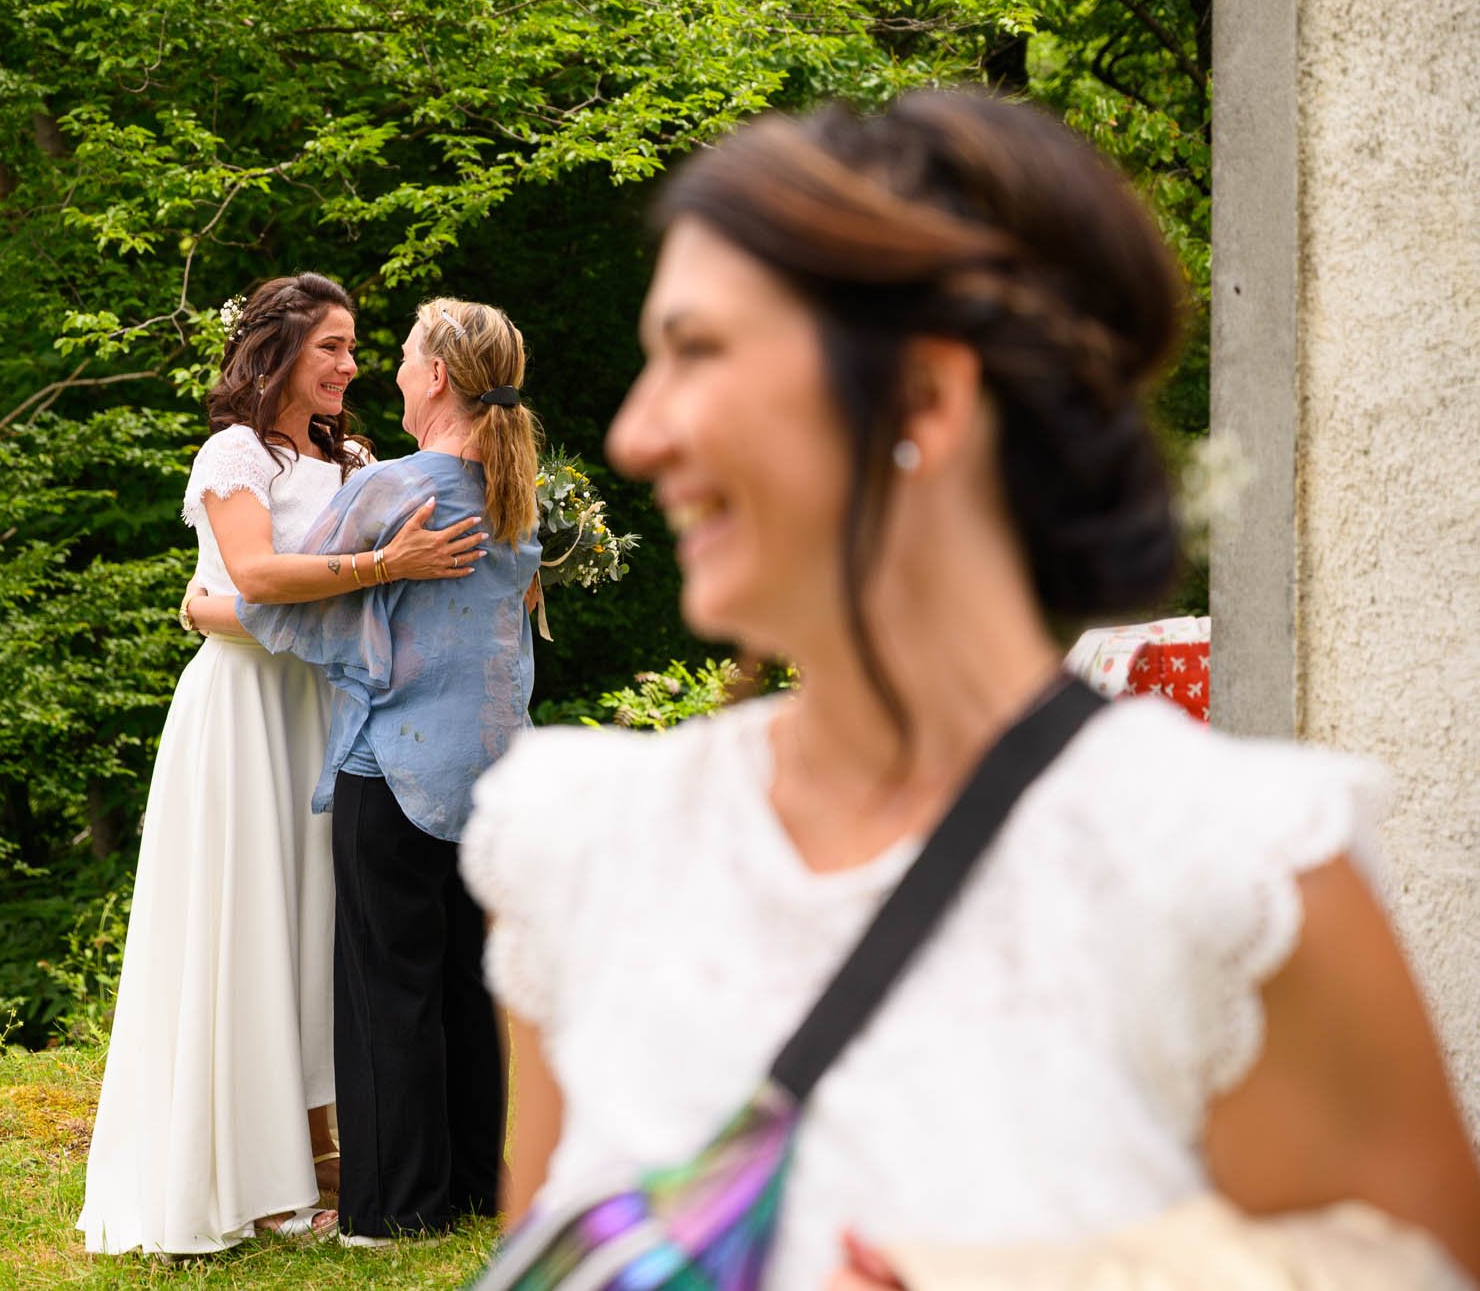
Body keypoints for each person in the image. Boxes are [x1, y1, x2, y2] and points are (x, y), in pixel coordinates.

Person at [459, 91, 1480, 1288]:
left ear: (921, 401)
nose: (636, 434)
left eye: (696, 351)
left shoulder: (1230, 872)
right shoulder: (585, 845)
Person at [76, 272, 486, 1257]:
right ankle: (245, 1169)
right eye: (330, 348)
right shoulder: (233, 453)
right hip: (243, 711)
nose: (349, 365)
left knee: (314, 931)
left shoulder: (355, 457)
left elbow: (245, 595)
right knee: (245, 925)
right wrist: (373, 573)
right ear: (280, 355)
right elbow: (245, 579)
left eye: (355, 349)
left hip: (329, 709)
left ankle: (319, 1153)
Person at [193, 296, 542, 1246]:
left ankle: (394, 1206)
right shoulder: (515, 487)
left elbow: (292, 607)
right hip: (484, 763)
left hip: (389, 761)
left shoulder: (394, 487)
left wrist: (206, 606)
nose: (384, 368)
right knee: (470, 988)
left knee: (390, 984)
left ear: (435, 378)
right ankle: (476, 1182)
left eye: (402, 355)